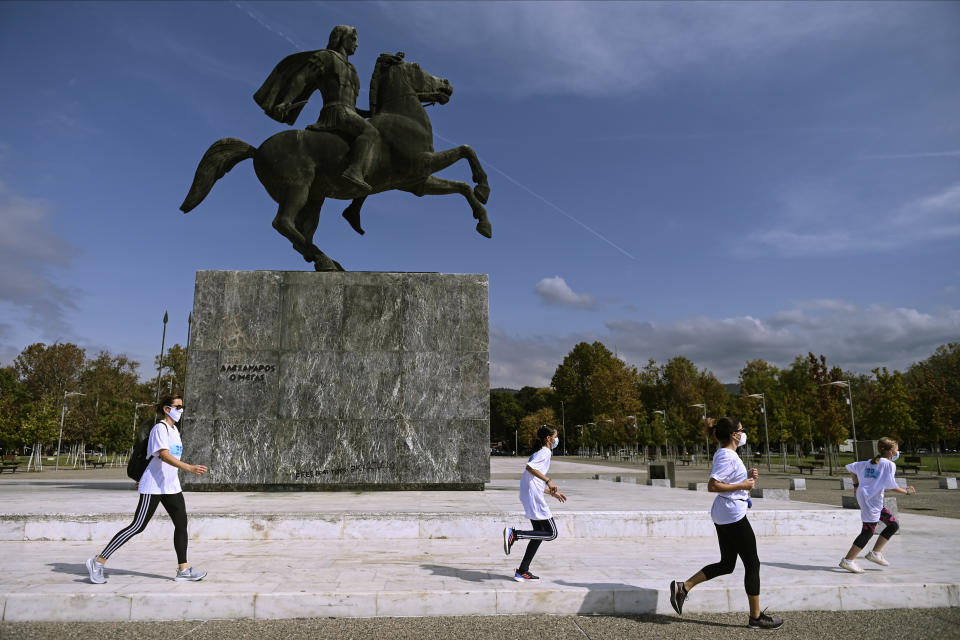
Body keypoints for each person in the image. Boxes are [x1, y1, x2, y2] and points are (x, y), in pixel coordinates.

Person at [668, 417, 784, 630]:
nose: (743, 433)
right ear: (734, 435)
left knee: (727, 564)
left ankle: (682, 588)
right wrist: (743, 483)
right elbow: (712, 486)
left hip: (726, 512)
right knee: (753, 564)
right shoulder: (726, 456)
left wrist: (746, 478)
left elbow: (727, 481)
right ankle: (756, 618)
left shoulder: (728, 454)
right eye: (741, 430)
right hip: (733, 515)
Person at [85, 395, 209, 584]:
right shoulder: (160, 428)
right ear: (167, 409)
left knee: (181, 524)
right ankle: (98, 561)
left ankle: (183, 570)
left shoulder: (174, 430)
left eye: (183, 406)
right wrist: (189, 468)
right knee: (137, 526)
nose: (181, 410)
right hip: (153, 486)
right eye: (178, 406)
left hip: (170, 486)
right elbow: (164, 455)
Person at [253, 24, 380, 195]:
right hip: (336, 113)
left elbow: (351, 104)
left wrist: (369, 113)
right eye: (353, 39)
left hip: (349, 112)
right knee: (371, 132)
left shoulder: (352, 70)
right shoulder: (326, 57)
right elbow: (302, 78)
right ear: (342, 38)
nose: (356, 44)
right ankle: (354, 170)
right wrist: (287, 100)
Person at [839, 437, 916, 573]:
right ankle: (848, 560)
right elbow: (890, 485)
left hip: (870, 498)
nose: (898, 452)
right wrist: (907, 492)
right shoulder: (888, 464)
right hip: (871, 500)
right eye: (897, 450)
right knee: (868, 531)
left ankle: (875, 553)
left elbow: (851, 468)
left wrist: (856, 485)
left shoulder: (869, 462)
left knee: (893, 525)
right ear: (892, 451)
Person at [501, 425, 567, 582]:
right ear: (548, 439)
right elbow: (530, 468)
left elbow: (533, 480)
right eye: (555, 436)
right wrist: (549, 481)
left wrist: (552, 492)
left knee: (538, 534)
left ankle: (522, 570)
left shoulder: (541, 453)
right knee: (551, 533)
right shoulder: (545, 452)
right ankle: (514, 534)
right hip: (532, 497)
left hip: (530, 494)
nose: (557, 439)